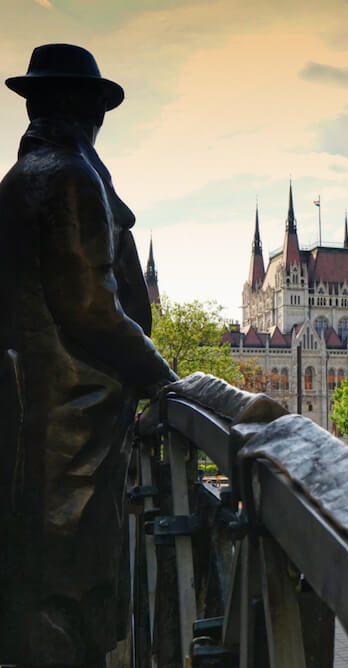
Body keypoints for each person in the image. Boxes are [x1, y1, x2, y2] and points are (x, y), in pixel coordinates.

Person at [0, 44, 177, 665]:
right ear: (79, 107)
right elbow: (90, 307)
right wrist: (165, 380)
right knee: (66, 586)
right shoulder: (67, 176)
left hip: (44, 416)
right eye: (96, 107)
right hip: (72, 421)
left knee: (45, 578)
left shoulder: (28, 175)